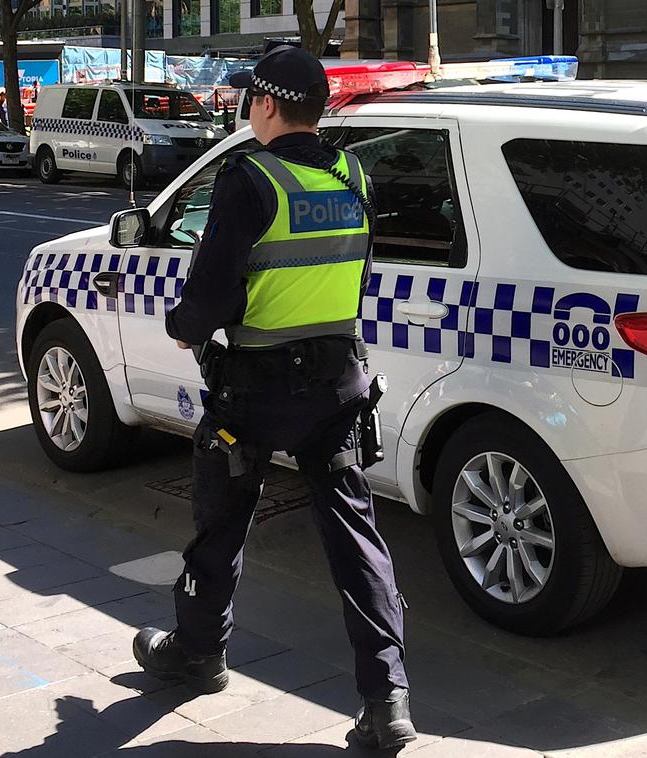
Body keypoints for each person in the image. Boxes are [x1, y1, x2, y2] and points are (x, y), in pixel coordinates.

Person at [131, 46, 416, 750]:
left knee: (221, 522)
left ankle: (199, 654)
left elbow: (209, 296)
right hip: (338, 384)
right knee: (356, 541)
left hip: (255, 388)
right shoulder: (352, 174)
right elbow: (357, 272)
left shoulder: (249, 179)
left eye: (244, 101)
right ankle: (388, 705)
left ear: (264, 104)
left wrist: (181, 326)